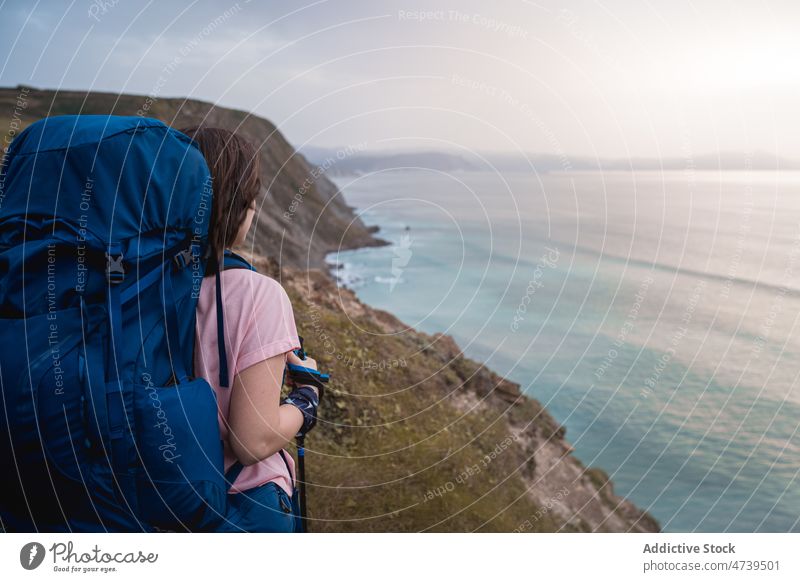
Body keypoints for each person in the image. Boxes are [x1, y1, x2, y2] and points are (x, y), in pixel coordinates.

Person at [180, 127, 321, 532]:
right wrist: (306, 399)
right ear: (231, 204)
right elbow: (252, 441)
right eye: (251, 198)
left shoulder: (131, 286)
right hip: (238, 505)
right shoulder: (259, 295)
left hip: (156, 499)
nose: (255, 208)